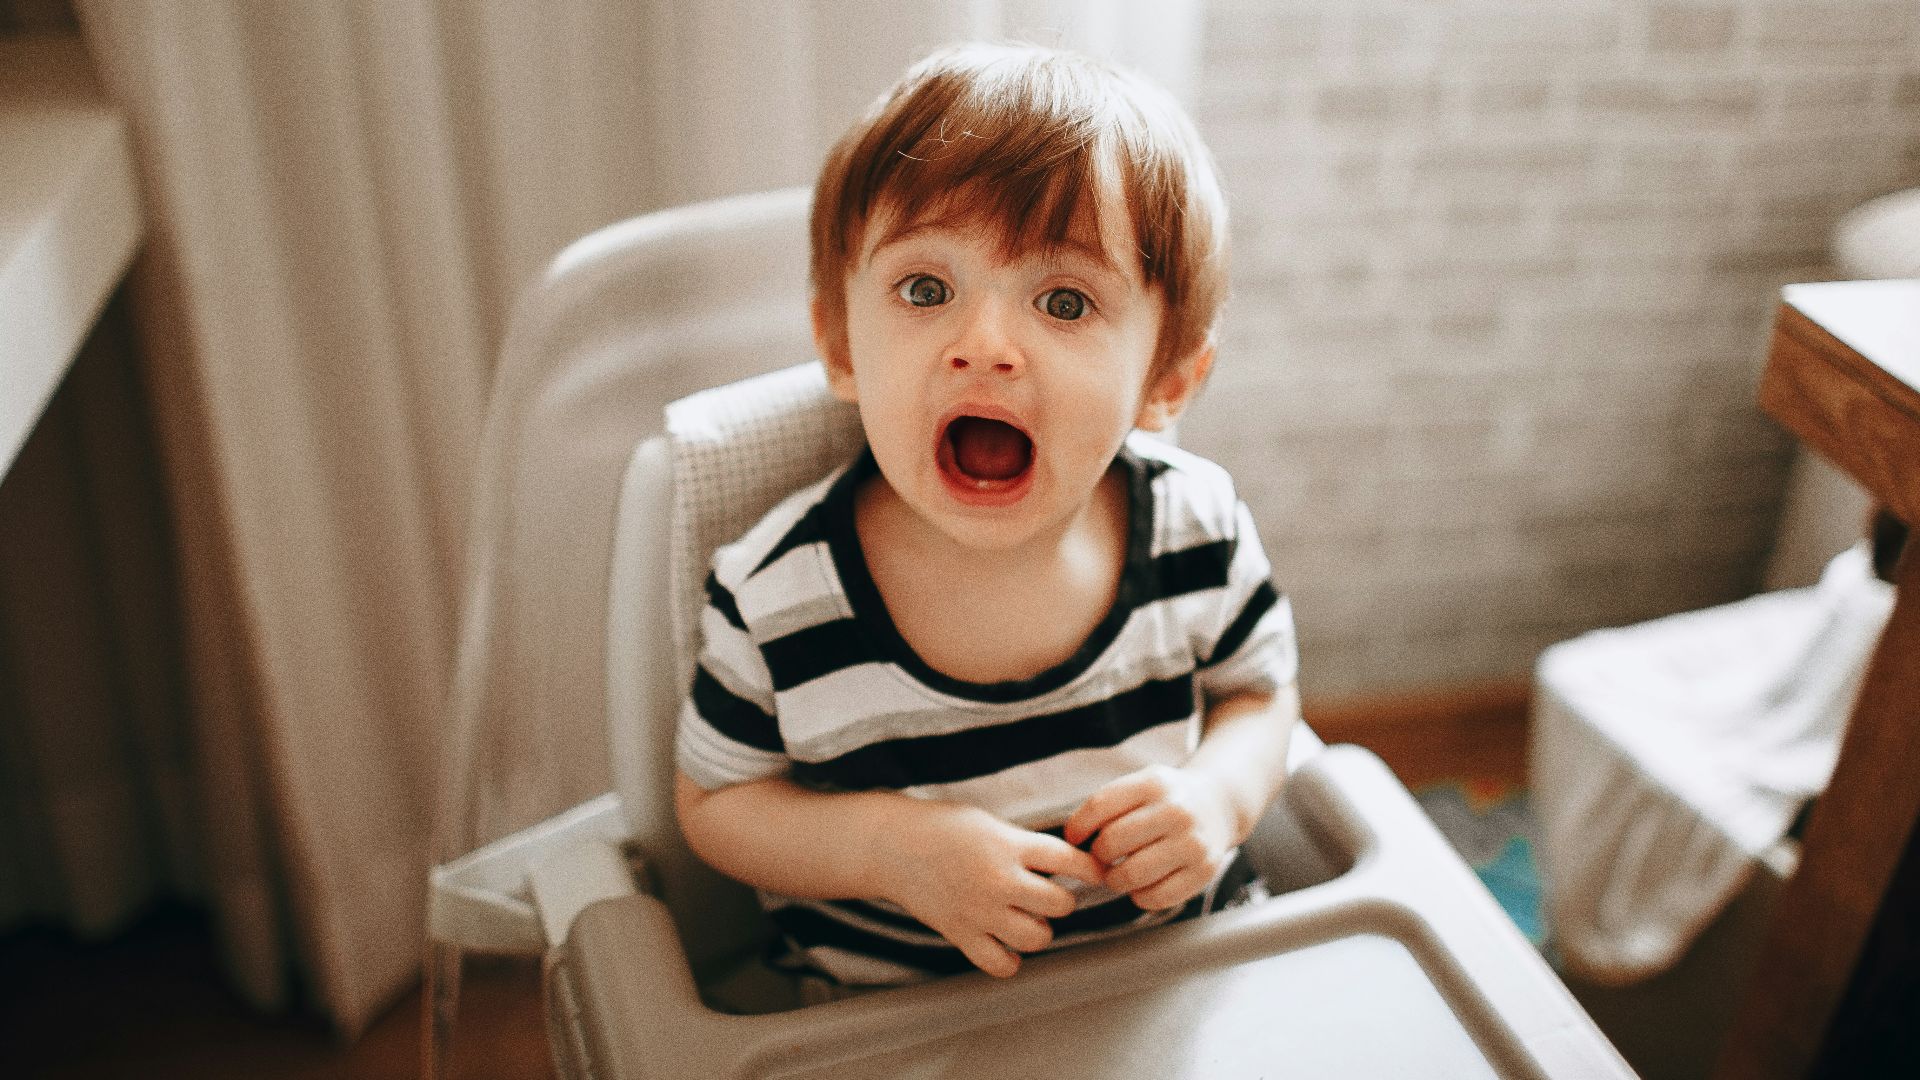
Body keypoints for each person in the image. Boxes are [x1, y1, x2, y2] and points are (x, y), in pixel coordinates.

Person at [673, 41, 1300, 992]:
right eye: (926, 290)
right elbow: (717, 799)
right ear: (841, 346)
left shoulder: (1195, 528)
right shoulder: (777, 600)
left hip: (1173, 988)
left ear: (1167, 380)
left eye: (1062, 299)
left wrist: (1219, 797)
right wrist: (892, 849)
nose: (985, 346)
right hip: (891, 1029)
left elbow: (1260, 695)